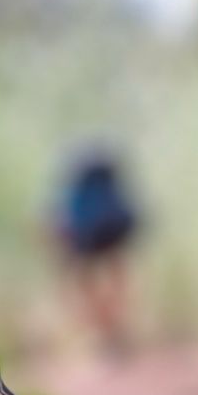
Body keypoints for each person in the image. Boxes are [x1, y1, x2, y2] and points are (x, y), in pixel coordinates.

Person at [52, 149, 139, 349]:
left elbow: (60, 221)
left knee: (87, 284)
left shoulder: (77, 195)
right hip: (112, 234)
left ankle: (105, 328)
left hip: (86, 238)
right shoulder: (111, 197)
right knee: (115, 281)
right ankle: (114, 327)